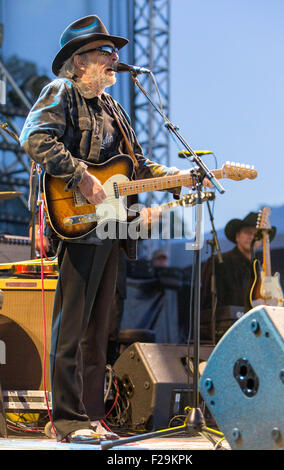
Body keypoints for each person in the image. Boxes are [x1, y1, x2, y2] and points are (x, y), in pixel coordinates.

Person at [20, 15, 207, 444]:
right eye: (105, 52)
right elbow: (35, 138)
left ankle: (89, 415)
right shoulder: (62, 91)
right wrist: (80, 175)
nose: (114, 58)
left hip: (111, 226)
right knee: (71, 327)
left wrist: (177, 175)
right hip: (77, 220)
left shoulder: (114, 108)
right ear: (77, 60)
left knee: (97, 332)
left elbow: (136, 166)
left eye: (114, 52)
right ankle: (65, 420)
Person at [201, 212, 276, 311]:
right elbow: (209, 304)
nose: (252, 237)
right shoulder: (218, 262)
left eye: (256, 234)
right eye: (248, 232)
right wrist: (251, 305)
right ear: (237, 236)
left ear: (262, 241)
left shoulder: (259, 269)